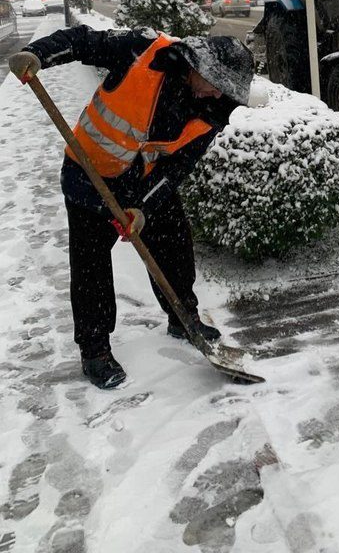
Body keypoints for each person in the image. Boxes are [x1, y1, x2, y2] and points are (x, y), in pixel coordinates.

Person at [10, 26, 254, 389]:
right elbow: (81, 41)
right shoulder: (142, 51)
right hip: (90, 175)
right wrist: (38, 55)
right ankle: (94, 350)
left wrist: (142, 208)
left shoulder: (215, 107)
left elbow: (177, 167)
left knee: (174, 243)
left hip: (142, 182)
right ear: (195, 63)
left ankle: (182, 318)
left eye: (226, 87)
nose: (218, 92)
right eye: (215, 81)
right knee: (90, 264)